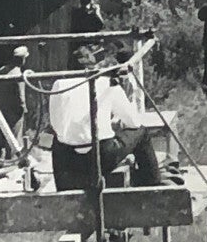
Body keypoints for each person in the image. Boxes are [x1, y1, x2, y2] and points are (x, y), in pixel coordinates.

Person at [48, 49, 167, 191]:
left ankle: (63, 190)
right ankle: (152, 186)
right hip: (102, 156)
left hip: (70, 159)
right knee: (141, 133)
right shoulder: (107, 82)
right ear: (96, 66)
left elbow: (56, 124)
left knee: (58, 140)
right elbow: (133, 122)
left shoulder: (58, 85)